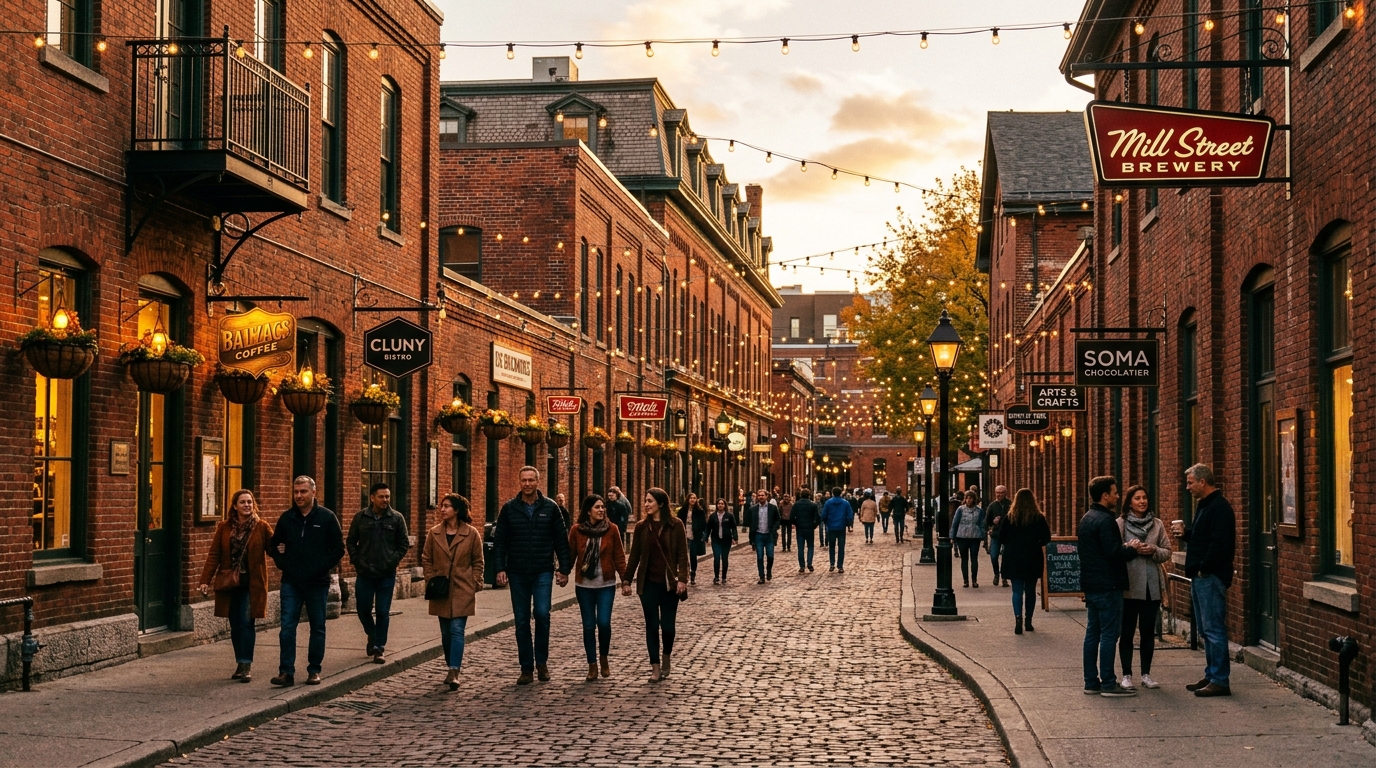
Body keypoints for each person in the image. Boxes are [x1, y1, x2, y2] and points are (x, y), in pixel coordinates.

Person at [493, 465, 572, 686]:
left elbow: (561, 540)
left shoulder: (551, 508)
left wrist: (564, 569)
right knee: (521, 621)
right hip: (517, 572)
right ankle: (526, 667)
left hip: (542, 571)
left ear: (538, 482)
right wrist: (499, 568)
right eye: (524, 480)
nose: (527, 484)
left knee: (542, 615)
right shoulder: (509, 509)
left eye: (531, 480)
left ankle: (542, 662)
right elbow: (500, 541)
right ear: (520, 483)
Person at [268, 476, 344, 687]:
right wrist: (283, 563)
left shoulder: (327, 518)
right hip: (291, 581)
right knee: (287, 627)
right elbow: (273, 545)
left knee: (317, 626)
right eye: (296, 492)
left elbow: (338, 549)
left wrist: (320, 567)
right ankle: (286, 672)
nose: (299, 496)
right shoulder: (287, 518)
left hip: (317, 582)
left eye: (303, 491)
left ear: (313, 492)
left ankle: (314, 670)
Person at [1172, 464, 1236, 697]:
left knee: (1213, 629)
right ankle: (1212, 675)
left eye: (1190, 482)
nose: (1187, 487)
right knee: (1206, 629)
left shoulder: (1219, 507)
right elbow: (1204, 538)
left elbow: (1220, 543)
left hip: (1209, 577)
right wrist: (1187, 534)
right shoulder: (1205, 506)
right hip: (1202, 576)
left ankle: (1219, 679)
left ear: (1203, 482)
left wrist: (1203, 568)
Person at [198, 489, 273, 683]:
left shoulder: (262, 527)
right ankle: (240, 662)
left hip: (251, 584)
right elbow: (214, 555)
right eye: (242, 502)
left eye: (249, 502)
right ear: (235, 506)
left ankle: (245, 664)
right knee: (235, 625)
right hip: (230, 584)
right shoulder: (224, 527)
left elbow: (274, 548)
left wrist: (286, 549)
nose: (247, 505)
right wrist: (205, 580)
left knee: (246, 622)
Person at [1078, 476, 1141, 697]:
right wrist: (1132, 548)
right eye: (1114, 492)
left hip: (1092, 585)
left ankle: (1090, 681)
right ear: (1105, 495)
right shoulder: (1106, 520)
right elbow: (1113, 553)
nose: (1117, 496)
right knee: (1108, 635)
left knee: (1092, 634)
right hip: (1108, 586)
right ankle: (1108, 683)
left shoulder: (1087, 518)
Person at [623, 488, 689, 682]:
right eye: (645, 501)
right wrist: (626, 580)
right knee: (651, 625)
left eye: (650, 501)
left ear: (661, 503)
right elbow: (634, 555)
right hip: (648, 584)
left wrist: (683, 579)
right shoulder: (642, 527)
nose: (646, 504)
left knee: (668, 627)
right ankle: (655, 668)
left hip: (669, 585)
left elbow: (683, 555)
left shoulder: (676, 525)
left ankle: (666, 656)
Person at [422, 493, 483, 691]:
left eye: (447, 506)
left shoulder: (471, 533)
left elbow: (478, 561)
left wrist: (474, 583)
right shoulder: (434, 533)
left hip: (462, 588)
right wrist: (431, 578)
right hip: (440, 589)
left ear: (456, 510)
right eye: (441, 506)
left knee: (457, 630)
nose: (442, 510)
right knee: (446, 633)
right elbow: (426, 558)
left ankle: (454, 671)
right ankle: (451, 664)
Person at [346, 482, 411, 665]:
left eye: (387, 496)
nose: (385, 500)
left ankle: (379, 648)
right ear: (372, 498)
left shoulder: (396, 518)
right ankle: (372, 634)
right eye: (381, 497)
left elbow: (403, 544)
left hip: (386, 574)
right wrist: (358, 561)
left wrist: (392, 561)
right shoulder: (361, 518)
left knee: (383, 611)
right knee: (363, 609)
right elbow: (351, 541)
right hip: (365, 573)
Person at [1117, 485, 1172, 691]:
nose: (1142, 501)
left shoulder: (1157, 524)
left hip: (1151, 586)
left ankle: (1146, 674)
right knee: (1127, 632)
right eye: (1137, 498)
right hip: (1129, 586)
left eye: (1144, 498)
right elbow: (1114, 552)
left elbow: (1167, 551)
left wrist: (1153, 550)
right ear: (1129, 502)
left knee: (1148, 631)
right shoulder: (1120, 524)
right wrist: (1130, 548)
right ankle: (1126, 675)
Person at [569, 494, 627, 681]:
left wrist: (625, 580)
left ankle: (603, 658)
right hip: (584, 586)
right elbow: (570, 555)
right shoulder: (577, 531)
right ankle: (592, 664)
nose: (601, 510)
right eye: (597, 507)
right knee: (588, 626)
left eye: (603, 507)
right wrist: (562, 572)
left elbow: (619, 556)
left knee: (603, 623)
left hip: (606, 584)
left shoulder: (612, 530)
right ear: (588, 511)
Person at [998, 489, 1051, 635]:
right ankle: (1028, 621)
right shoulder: (1038, 517)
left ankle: (1018, 619)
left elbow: (1001, 537)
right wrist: (1035, 542)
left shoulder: (1010, 517)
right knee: (1030, 590)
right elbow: (1046, 538)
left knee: (1016, 590)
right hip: (1032, 556)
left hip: (1014, 556)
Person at [949, 490, 986, 587]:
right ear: (965, 499)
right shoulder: (960, 509)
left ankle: (974, 580)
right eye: (967, 498)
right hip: (962, 536)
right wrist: (952, 536)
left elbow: (982, 524)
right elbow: (955, 523)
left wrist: (983, 536)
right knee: (964, 559)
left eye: (971, 498)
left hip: (975, 536)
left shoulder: (979, 510)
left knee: (974, 559)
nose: (969, 500)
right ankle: (965, 580)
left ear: (974, 499)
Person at [743, 489, 781, 583]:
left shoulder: (772, 508)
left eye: (762, 495)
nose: (761, 497)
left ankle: (768, 571)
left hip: (769, 535)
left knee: (770, 556)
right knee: (760, 557)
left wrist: (774, 527)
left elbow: (778, 519)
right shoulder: (753, 509)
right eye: (759, 495)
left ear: (766, 496)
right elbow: (748, 522)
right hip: (758, 535)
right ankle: (761, 576)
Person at [821, 487, 853, 573]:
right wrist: (848, 524)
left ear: (832, 493)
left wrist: (826, 522)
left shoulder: (828, 503)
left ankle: (832, 564)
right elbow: (850, 515)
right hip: (841, 527)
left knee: (831, 546)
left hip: (831, 527)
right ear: (840, 493)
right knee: (841, 547)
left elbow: (823, 515)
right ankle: (840, 566)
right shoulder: (845, 503)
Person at [678, 493, 707, 585]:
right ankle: (684, 573)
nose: (693, 500)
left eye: (694, 498)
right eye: (691, 498)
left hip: (695, 535)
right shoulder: (682, 510)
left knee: (693, 555)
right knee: (683, 555)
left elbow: (703, 524)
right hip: (684, 534)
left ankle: (693, 573)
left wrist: (704, 536)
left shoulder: (700, 511)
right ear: (688, 499)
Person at [707, 498, 738, 584]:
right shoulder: (712, 516)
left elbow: (733, 527)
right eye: (719, 504)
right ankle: (716, 577)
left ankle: (724, 576)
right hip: (716, 540)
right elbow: (708, 528)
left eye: (722, 504)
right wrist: (706, 537)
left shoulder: (729, 516)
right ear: (717, 505)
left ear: (725, 505)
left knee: (724, 558)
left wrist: (735, 538)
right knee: (716, 558)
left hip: (726, 540)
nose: (720, 505)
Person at [985, 486, 1011, 587]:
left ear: (1005, 493)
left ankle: (1004, 577)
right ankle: (996, 573)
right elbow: (986, 522)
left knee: (1005, 556)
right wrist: (993, 522)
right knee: (994, 555)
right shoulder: (992, 506)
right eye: (997, 493)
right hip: (996, 534)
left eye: (1001, 493)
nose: (999, 495)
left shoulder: (1010, 504)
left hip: (1008, 535)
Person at [791, 488, 821, 572]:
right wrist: (814, 525)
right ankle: (809, 563)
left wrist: (796, 524)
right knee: (810, 546)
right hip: (809, 528)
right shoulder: (813, 505)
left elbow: (792, 517)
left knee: (800, 548)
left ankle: (802, 566)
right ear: (809, 495)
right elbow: (817, 517)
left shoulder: (796, 504)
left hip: (800, 528)